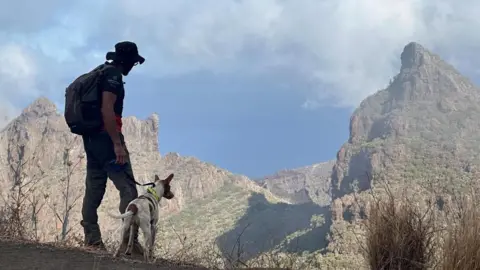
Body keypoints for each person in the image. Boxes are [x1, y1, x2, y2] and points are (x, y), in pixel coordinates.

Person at [79, 41, 145, 256]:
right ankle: (130, 244)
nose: (133, 67)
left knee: (94, 189)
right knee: (129, 190)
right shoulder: (113, 77)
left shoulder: (100, 71)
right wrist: (117, 144)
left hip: (91, 140)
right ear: (126, 62)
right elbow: (107, 108)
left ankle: (92, 240)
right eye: (133, 63)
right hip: (107, 139)